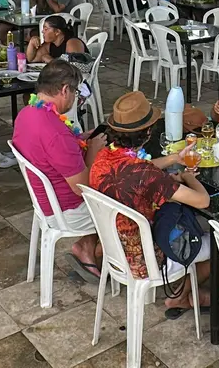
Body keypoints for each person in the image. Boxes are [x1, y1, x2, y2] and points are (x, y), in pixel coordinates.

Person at [90, 92, 212, 313]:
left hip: (114, 248)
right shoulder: (145, 174)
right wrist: (188, 177)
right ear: (148, 132)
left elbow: (137, 168)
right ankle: (181, 297)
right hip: (147, 260)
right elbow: (202, 201)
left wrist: (174, 158)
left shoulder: (104, 157)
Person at [12, 59, 106, 282]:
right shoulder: (56, 134)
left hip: (43, 200)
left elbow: (52, 147)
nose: (75, 98)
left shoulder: (27, 113)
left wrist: (80, 139)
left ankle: (88, 246)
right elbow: (83, 187)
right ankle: (95, 250)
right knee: (129, 197)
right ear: (65, 90)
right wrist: (92, 151)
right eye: (75, 92)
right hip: (67, 211)